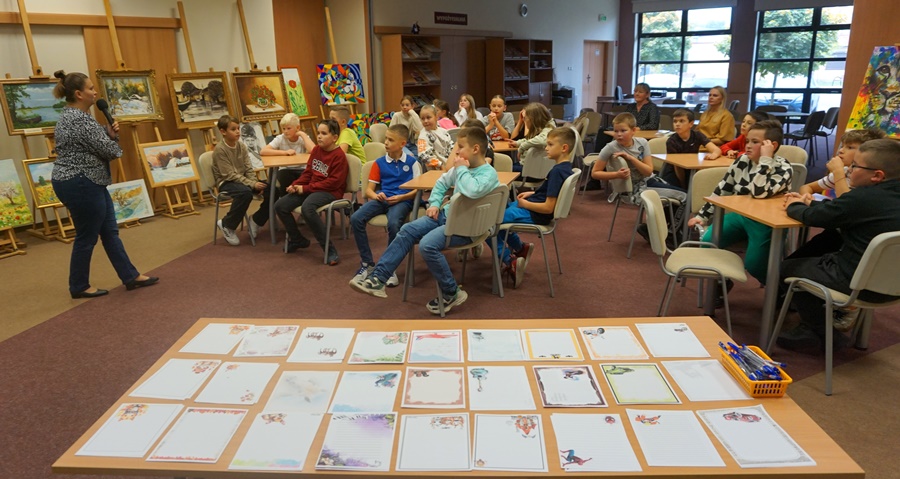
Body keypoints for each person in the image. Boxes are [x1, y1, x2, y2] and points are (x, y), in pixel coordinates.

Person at [350, 127, 500, 315]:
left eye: (460, 146)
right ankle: (378, 279)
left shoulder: (488, 173)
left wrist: (460, 169)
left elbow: (472, 190)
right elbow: (441, 183)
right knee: (407, 230)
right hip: (446, 217)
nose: (457, 151)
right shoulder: (462, 169)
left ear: (475, 149)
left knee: (427, 245)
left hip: (466, 228)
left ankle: (452, 291)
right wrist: (435, 203)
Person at [776, 139, 900, 351]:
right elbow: (842, 212)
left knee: (788, 267)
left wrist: (795, 204)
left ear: (877, 175)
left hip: (856, 284)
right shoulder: (883, 195)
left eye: (855, 166)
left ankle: (816, 330)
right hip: (892, 287)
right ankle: (819, 327)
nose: (849, 170)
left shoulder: (862, 197)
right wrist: (812, 204)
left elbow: (811, 216)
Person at [49, 70, 158, 298]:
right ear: (79, 94)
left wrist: (107, 133)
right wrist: (113, 137)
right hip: (80, 183)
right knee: (87, 237)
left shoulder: (76, 116)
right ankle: (79, 286)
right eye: (90, 88)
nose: (95, 92)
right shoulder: (78, 120)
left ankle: (130, 276)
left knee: (109, 231)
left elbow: (100, 142)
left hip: (88, 181)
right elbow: (112, 151)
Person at [688, 120, 793, 284]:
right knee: (708, 242)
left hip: (766, 222)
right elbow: (722, 189)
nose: (748, 146)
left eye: (755, 142)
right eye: (748, 141)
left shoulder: (783, 168)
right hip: (741, 216)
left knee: (754, 265)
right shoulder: (742, 160)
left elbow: (759, 192)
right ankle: (722, 282)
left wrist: (765, 161)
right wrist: (703, 215)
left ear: (771, 145)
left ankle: (779, 291)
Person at [492, 127, 576, 288]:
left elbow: (548, 208)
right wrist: (531, 194)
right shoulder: (565, 169)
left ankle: (511, 261)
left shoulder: (557, 172)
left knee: (489, 224)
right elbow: (550, 195)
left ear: (564, 148)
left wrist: (526, 204)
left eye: (550, 144)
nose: (546, 147)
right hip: (532, 207)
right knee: (498, 213)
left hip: (535, 213)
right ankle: (520, 248)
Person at [592, 113, 687, 243]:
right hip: (636, 188)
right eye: (616, 131)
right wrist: (616, 175)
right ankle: (671, 234)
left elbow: (648, 171)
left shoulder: (642, 143)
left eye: (623, 131)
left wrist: (631, 158)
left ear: (634, 131)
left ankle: (654, 230)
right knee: (685, 197)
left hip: (649, 180)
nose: (619, 134)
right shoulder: (610, 147)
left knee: (678, 196)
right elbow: (595, 173)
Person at [350, 124, 420, 288]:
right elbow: (368, 190)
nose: (386, 143)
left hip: (402, 200)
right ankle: (367, 263)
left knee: (394, 223)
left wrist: (402, 196)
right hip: (383, 198)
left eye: (390, 140)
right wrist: (377, 195)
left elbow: (418, 189)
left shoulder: (412, 163)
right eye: (385, 139)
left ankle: (389, 268)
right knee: (356, 218)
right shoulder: (379, 163)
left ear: (402, 143)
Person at [274, 119, 349, 265]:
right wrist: (296, 185)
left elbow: (333, 183)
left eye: (324, 133)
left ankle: (330, 249)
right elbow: (308, 172)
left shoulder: (339, 156)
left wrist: (306, 188)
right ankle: (297, 239)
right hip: (313, 187)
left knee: (308, 208)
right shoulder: (316, 150)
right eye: (318, 133)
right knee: (280, 205)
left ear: (334, 137)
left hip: (331, 191)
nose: (319, 136)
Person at [212, 115, 273, 246]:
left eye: (238, 128)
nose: (238, 132)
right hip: (226, 182)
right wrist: (252, 184)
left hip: (243, 180)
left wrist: (255, 184)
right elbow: (229, 175)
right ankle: (227, 224)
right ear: (223, 132)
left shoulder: (241, 146)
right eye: (233, 129)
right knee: (244, 193)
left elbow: (248, 168)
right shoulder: (220, 150)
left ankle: (256, 220)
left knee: (272, 190)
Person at [799, 128, 886, 199]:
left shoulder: (872, 179)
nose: (840, 150)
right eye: (842, 146)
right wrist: (807, 197)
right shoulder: (845, 171)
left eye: (850, 147)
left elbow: (846, 204)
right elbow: (807, 187)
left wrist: (838, 172)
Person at [661, 109, 722, 190]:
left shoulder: (697, 135)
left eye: (682, 121)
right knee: (683, 191)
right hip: (674, 173)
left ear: (691, 123)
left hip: (690, 170)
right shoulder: (671, 141)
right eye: (675, 121)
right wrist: (684, 185)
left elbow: (716, 150)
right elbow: (677, 167)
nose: (677, 124)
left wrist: (714, 155)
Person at [261, 113, 315, 198]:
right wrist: (284, 152)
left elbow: (313, 151)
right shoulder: (280, 138)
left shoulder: (302, 138)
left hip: (302, 169)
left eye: (289, 128)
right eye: (283, 129)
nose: (285, 131)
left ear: (297, 127)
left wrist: (303, 134)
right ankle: (285, 200)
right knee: (284, 177)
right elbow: (263, 151)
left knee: (306, 179)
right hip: (285, 169)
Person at [509, 102, 556, 170]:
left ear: (533, 119)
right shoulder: (541, 128)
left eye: (525, 118)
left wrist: (522, 147)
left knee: (502, 169)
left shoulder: (549, 130)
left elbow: (541, 141)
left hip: (532, 170)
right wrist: (517, 143)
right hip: (531, 166)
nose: (524, 121)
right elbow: (531, 139)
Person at [417, 104, 452, 170]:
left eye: (428, 117)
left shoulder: (444, 131)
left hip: (450, 166)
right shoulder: (422, 137)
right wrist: (440, 165)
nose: (425, 121)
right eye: (422, 119)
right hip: (436, 170)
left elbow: (451, 146)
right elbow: (423, 155)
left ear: (436, 117)